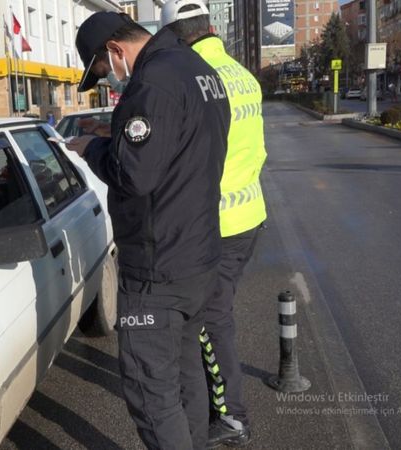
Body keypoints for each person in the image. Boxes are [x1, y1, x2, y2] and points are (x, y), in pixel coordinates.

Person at [67, 12, 231, 449]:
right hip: (198, 254)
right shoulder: (198, 70)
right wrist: (115, 132)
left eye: (103, 72)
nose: (109, 81)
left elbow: (134, 175)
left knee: (151, 392)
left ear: (115, 51)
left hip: (158, 267)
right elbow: (177, 147)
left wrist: (94, 147)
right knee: (184, 376)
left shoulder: (151, 82)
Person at [161, 1, 268, 447]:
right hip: (249, 215)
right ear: (209, 27)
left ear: (175, 35)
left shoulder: (193, 78)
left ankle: (231, 417)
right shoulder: (241, 74)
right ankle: (219, 405)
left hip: (217, 225)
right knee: (215, 316)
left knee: (210, 320)